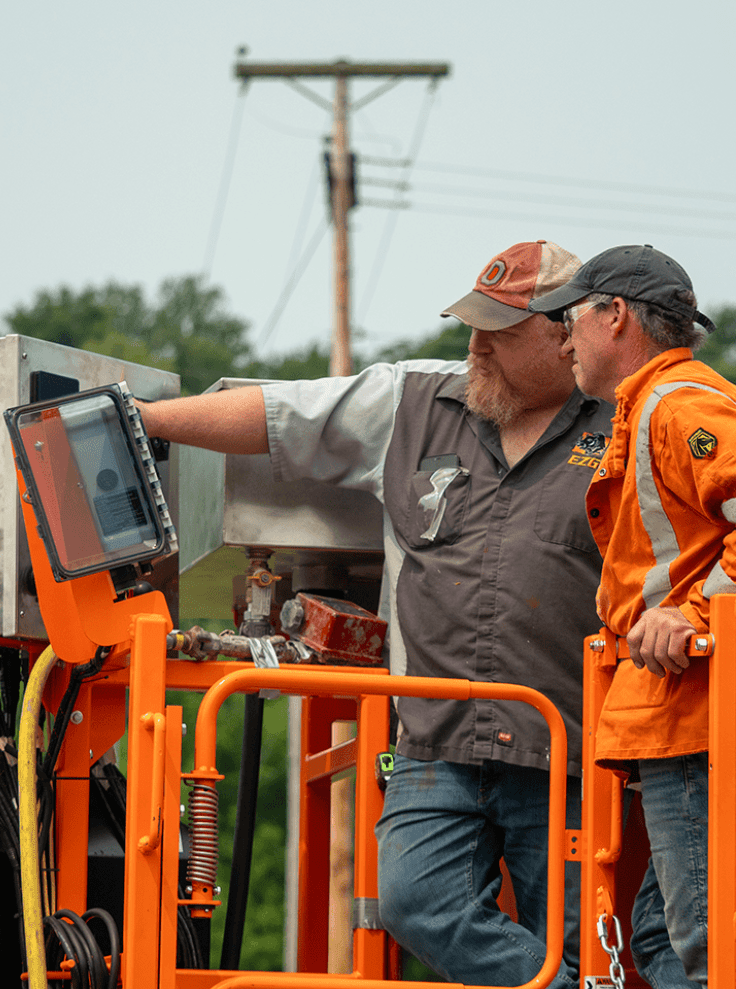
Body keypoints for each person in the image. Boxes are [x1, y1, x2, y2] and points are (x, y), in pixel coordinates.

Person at [137, 240, 614, 987]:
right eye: (472, 324)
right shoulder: (413, 400)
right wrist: (147, 419)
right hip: (434, 740)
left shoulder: (623, 426)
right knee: (415, 900)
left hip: (565, 748)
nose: (476, 345)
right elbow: (280, 412)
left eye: (500, 331)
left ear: (566, 334)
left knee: (588, 939)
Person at [529, 244, 722, 987]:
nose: (564, 340)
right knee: (662, 936)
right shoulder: (649, 409)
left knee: (704, 942)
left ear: (615, 316)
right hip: (675, 716)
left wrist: (694, 613)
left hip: (696, 715)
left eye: (572, 320)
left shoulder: (679, 406)